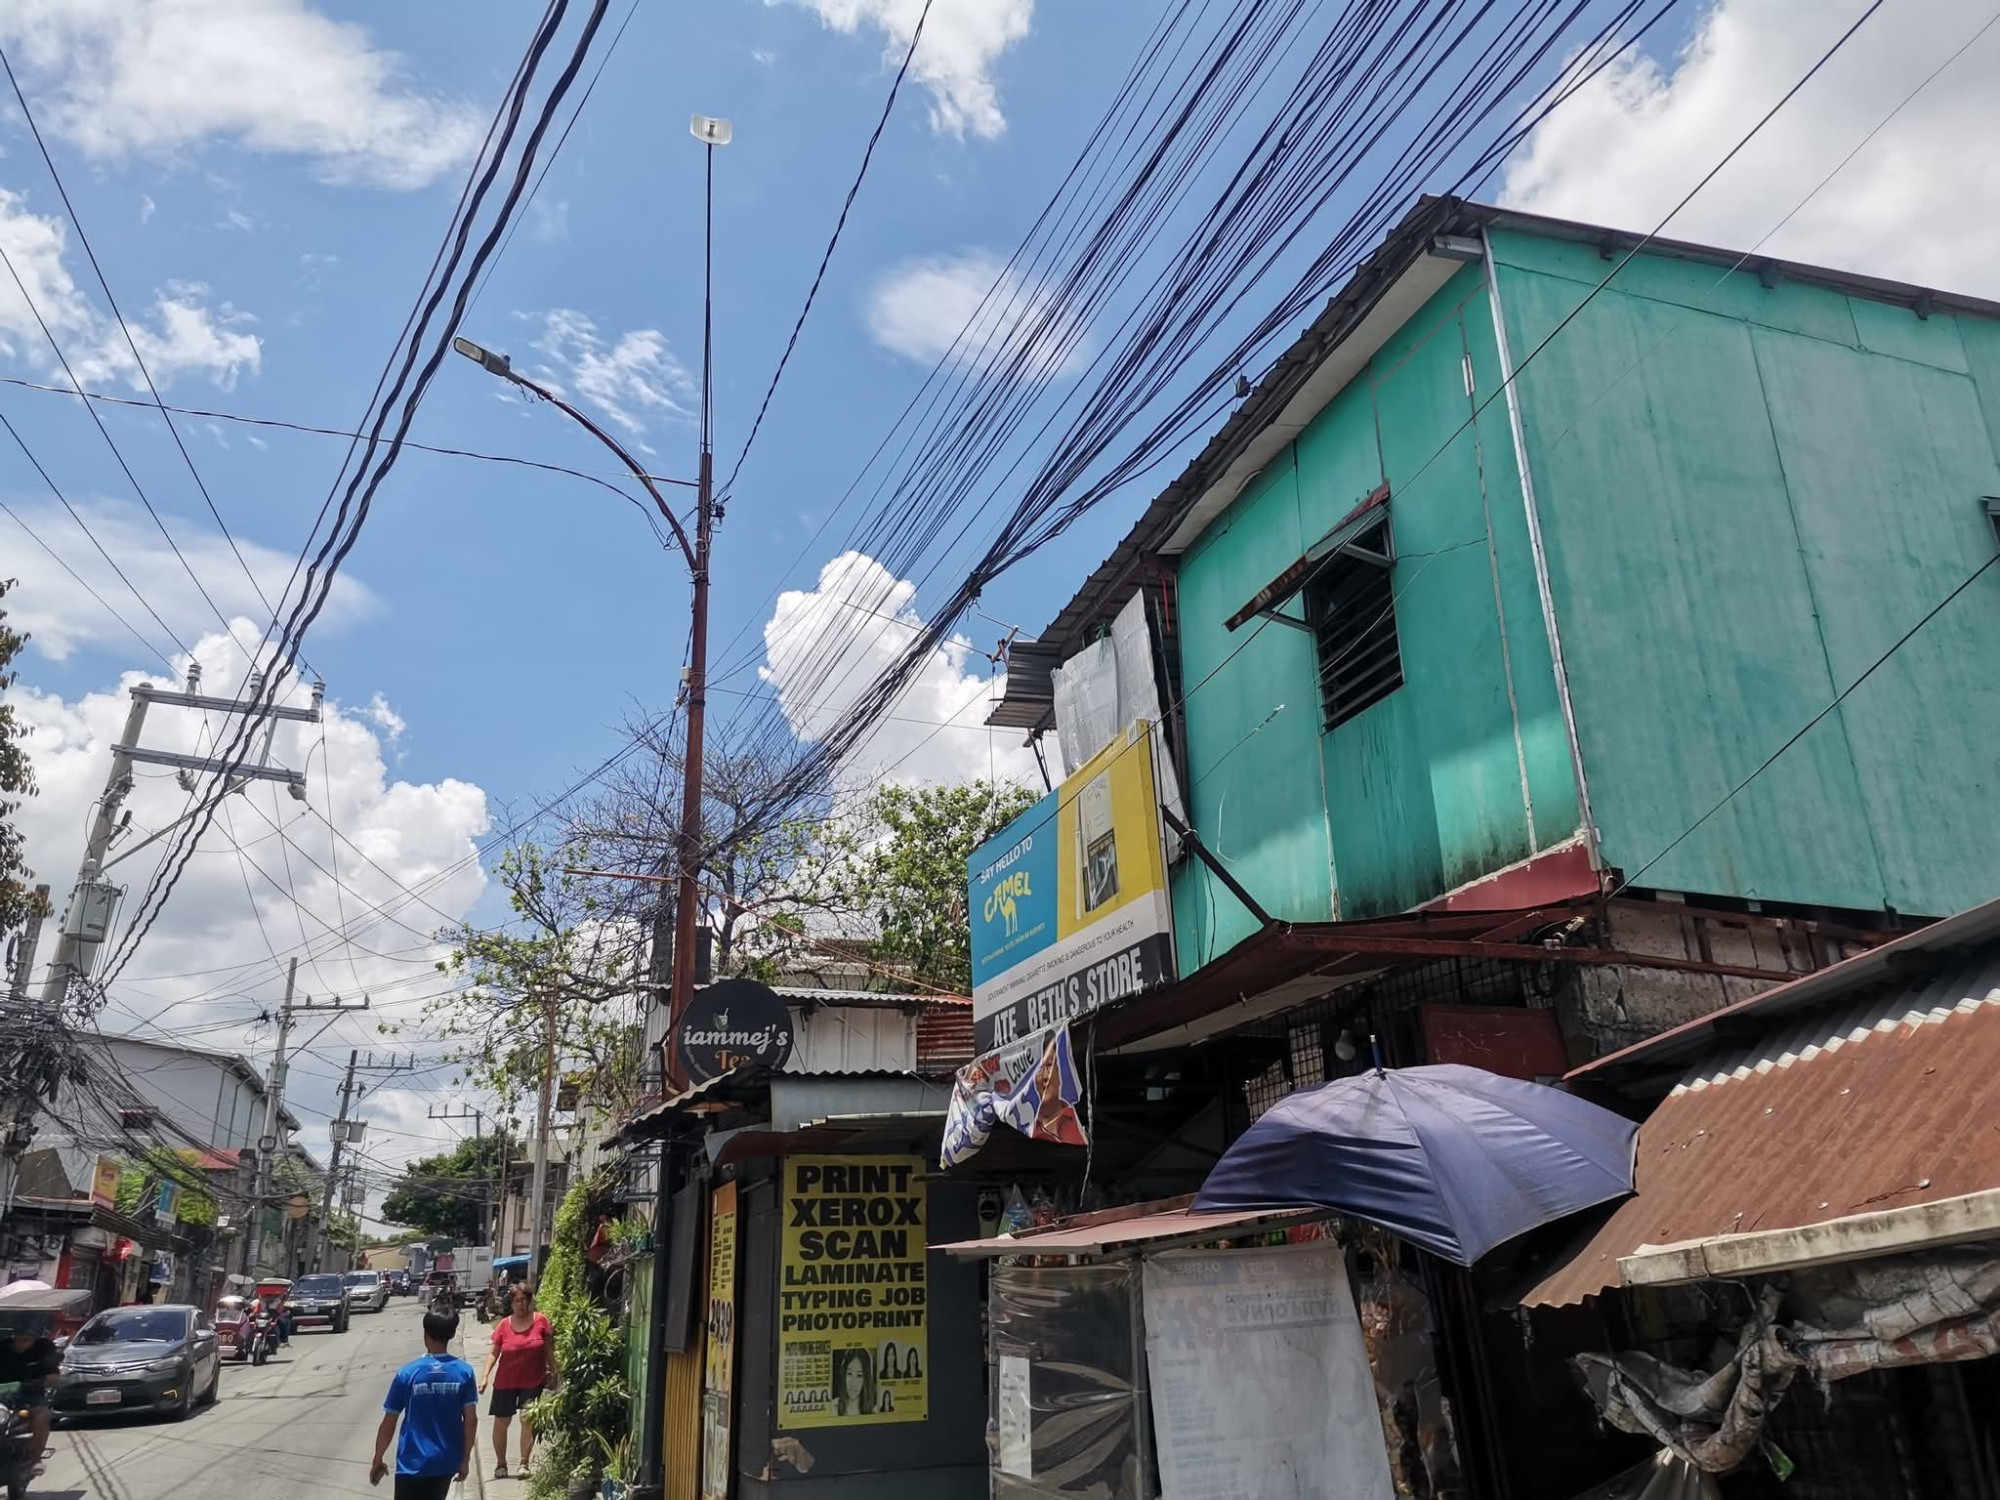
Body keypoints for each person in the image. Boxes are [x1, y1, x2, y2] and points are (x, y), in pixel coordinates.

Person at [371, 1309, 476, 1499]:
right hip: (445, 1462)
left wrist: (378, 1458)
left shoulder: (407, 1373)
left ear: (426, 1335)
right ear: (452, 1334)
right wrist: (465, 1459)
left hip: (411, 1463)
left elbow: (389, 1421)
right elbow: (471, 1420)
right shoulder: (464, 1373)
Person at [479, 1281, 558, 1479]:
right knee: (502, 1421)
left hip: (533, 1380)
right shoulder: (504, 1325)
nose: (520, 1305)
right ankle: (501, 1464)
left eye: (523, 1300)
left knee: (527, 1418)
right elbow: (493, 1352)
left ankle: (524, 1463)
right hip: (506, 1381)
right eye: (516, 1301)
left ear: (530, 1301)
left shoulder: (541, 1321)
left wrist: (555, 1371)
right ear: (511, 1303)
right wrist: (485, 1376)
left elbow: (549, 1349)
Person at [0, 1327, 60, 1472]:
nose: (19, 1344)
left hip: (30, 1396)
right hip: (2, 1395)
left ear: (33, 1340)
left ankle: (35, 1459)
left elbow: (53, 1375)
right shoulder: (2, 1349)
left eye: (25, 1340)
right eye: (17, 1339)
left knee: (41, 1416)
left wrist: (46, 1380)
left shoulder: (43, 1349)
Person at [833, 1348, 875, 1417]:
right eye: (849, 1374)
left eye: (859, 1375)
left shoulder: (873, 1411)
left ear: (866, 1379)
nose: (853, 1383)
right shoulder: (833, 1408)